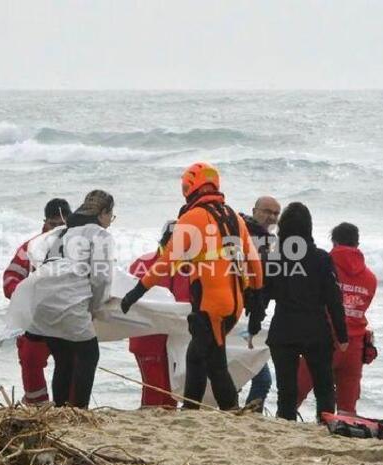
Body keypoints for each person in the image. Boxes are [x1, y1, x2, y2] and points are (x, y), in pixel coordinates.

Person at [121, 162, 263, 410]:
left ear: (192, 186)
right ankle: (191, 408)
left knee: (215, 362)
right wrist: (256, 297)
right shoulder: (233, 216)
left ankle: (231, 408)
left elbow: (166, 262)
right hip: (235, 303)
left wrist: (136, 292)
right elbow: (254, 262)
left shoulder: (191, 218)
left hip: (212, 304)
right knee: (196, 354)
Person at [257, 202, 347, 421]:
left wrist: (253, 326)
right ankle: (325, 425)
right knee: (324, 387)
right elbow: (334, 300)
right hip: (315, 331)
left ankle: (285, 424)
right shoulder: (322, 259)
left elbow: (263, 296)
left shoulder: (274, 258)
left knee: (286, 390)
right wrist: (342, 335)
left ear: (283, 227)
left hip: (283, 330)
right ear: (309, 227)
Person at [27, 190, 115, 408]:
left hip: (40, 301)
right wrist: (94, 308)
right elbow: (101, 278)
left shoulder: (63, 232)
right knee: (89, 354)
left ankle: (60, 409)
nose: (110, 222)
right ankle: (79, 409)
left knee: (64, 359)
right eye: (111, 216)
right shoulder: (101, 235)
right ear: (102, 212)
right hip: (68, 302)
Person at [296, 222, 377, 416]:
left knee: (294, 394)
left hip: (322, 341)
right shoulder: (370, 278)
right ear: (357, 244)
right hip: (354, 347)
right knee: (347, 410)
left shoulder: (323, 266)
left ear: (334, 242)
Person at [3, 198, 71, 404]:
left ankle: (69, 405)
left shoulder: (78, 247)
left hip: (67, 317)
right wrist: (25, 295)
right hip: (35, 319)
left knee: (72, 363)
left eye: (62, 224)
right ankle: (37, 404)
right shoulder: (30, 248)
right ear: (45, 222)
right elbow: (9, 280)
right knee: (30, 358)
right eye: (53, 224)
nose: (57, 229)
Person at [127, 221, 185, 408]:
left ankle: (165, 432)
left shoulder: (191, 267)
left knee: (171, 395)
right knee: (154, 389)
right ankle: (147, 428)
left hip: (177, 340)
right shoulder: (143, 264)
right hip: (147, 338)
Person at [240, 196, 280, 413]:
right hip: (234, 313)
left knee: (260, 377)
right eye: (267, 211)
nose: (271, 217)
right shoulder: (238, 233)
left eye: (276, 214)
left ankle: (248, 415)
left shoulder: (273, 244)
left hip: (252, 319)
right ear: (254, 210)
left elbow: (270, 284)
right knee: (260, 377)